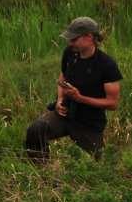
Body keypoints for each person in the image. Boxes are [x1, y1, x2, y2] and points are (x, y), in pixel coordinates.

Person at [25, 17, 122, 163]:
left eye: (74, 39)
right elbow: (61, 79)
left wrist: (80, 98)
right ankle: (40, 170)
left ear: (89, 37)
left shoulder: (107, 65)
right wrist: (59, 100)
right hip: (65, 114)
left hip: (88, 122)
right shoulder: (70, 53)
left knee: (103, 162)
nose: (70, 43)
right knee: (35, 129)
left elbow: (112, 103)